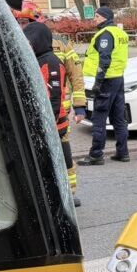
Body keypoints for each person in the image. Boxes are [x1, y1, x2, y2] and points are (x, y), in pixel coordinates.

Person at [23, 21, 74, 205]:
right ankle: (56, 196)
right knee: (52, 163)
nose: (28, 45)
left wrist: (47, 125)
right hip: (48, 123)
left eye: (30, 41)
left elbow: (54, 98)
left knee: (57, 162)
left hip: (54, 125)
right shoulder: (39, 60)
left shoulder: (50, 62)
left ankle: (62, 198)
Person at [78, 6, 129, 165]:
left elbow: (104, 59)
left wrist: (98, 83)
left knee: (99, 117)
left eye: (97, 17)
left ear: (105, 17)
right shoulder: (120, 33)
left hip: (106, 80)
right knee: (119, 118)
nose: (94, 19)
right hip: (118, 78)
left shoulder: (105, 34)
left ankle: (96, 155)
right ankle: (123, 153)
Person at [54, 36, 86, 205]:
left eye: (25, 22)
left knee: (64, 152)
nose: (23, 25)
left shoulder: (62, 44)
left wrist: (79, 106)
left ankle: (69, 192)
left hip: (60, 112)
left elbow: (76, 75)